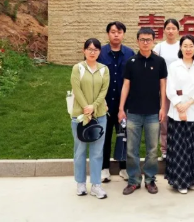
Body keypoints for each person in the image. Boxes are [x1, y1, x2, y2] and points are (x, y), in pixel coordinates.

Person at [118, 28, 168, 196]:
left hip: (153, 112)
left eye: (148, 39)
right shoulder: (131, 62)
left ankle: (150, 179)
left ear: (153, 41)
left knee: (152, 149)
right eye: (142, 39)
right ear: (137, 41)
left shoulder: (160, 62)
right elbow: (126, 85)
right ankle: (133, 180)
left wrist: (162, 107)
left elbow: (163, 85)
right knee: (131, 149)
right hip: (133, 112)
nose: (145, 42)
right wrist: (121, 108)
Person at [165, 35, 194, 194]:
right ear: (180, 48)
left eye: (191, 46)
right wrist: (180, 107)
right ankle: (180, 182)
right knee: (180, 149)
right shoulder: (174, 66)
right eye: (185, 46)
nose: (188, 49)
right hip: (177, 113)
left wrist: (188, 105)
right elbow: (170, 89)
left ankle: (192, 180)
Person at [70, 38, 110, 199]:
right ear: (84, 51)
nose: (92, 52)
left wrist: (94, 106)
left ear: (99, 52)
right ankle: (80, 183)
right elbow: (76, 89)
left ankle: (96, 185)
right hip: (80, 116)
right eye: (89, 49)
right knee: (80, 150)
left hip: (99, 115)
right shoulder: (78, 68)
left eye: (96, 49)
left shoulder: (104, 69)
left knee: (97, 151)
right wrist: (86, 107)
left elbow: (104, 90)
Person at [99, 21, 135, 183]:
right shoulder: (101, 53)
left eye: (119, 32)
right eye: (113, 32)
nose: (116, 35)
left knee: (125, 136)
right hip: (104, 103)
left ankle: (124, 168)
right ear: (108, 34)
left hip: (124, 104)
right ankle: (104, 168)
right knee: (104, 137)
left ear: (123, 34)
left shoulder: (130, 54)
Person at [153, 18, 181, 161]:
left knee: (179, 118)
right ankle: (164, 149)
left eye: (173, 28)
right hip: (163, 87)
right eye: (168, 28)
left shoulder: (182, 45)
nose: (170, 31)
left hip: (180, 88)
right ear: (164, 30)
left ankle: (178, 148)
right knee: (164, 119)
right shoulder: (159, 47)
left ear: (178, 30)